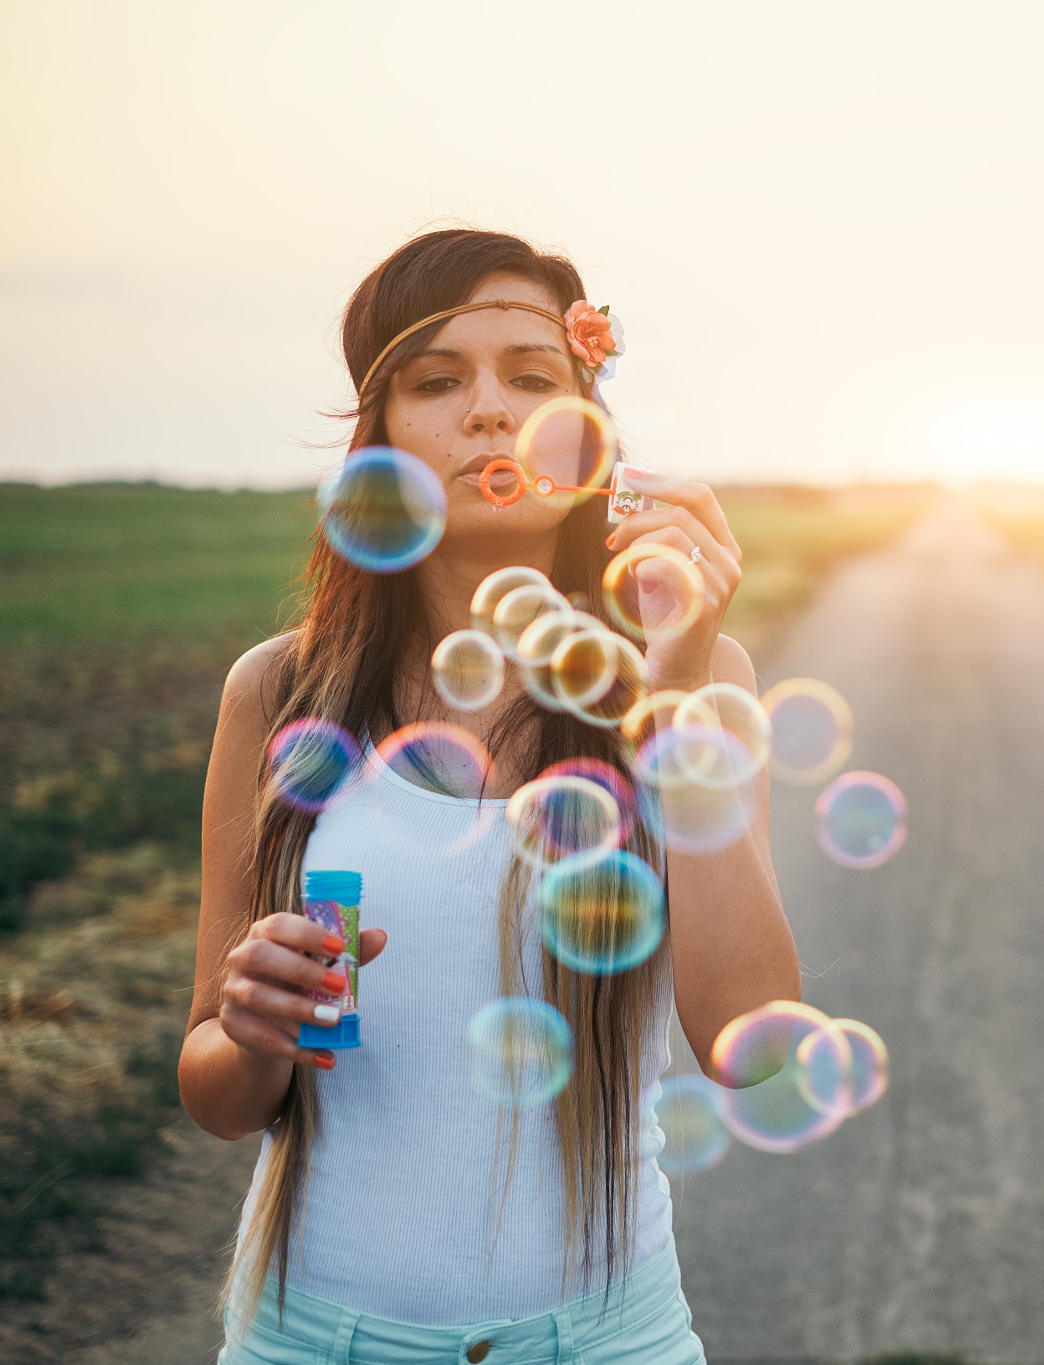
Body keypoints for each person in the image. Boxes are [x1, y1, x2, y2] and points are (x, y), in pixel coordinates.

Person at [179, 228, 797, 1364]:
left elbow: (747, 1044)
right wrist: (253, 1032)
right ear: (378, 438)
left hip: (608, 1342)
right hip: (311, 1341)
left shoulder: (696, 677)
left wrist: (671, 691)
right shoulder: (278, 691)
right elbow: (216, 1094)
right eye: (435, 381)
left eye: (531, 376)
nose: (488, 411)